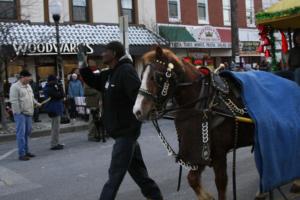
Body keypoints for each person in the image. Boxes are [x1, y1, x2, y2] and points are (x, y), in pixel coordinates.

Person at [79, 41, 163, 200]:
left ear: (114, 54)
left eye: (105, 51)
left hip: (126, 133)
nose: (102, 54)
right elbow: (91, 79)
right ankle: (155, 196)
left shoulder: (126, 71)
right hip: (122, 134)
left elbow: (138, 99)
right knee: (140, 175)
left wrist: (141, 116)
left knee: (114, 177)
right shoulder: (109, 73)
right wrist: (81, 61)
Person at [9, 70, 41, 161]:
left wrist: (36, 103)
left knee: (27, 132)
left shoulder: (28, 86)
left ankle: (26, 151)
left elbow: (31, 97)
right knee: (21, 134)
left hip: (29, 113)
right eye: (28, 77)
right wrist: (19, 112)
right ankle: (22, 154)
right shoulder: (15, 87)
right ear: (22, 77)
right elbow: (14, 101)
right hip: (20, 114)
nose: (30, 79)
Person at [43, 75, 65, 150]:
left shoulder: (51, 87)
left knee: (56, 128)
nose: (56, 82)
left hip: (55, 108)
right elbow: (60, 95)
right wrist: (60, 87)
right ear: (51, 81)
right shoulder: (49, 88)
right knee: (55, 128)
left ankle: (56, 142)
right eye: (55, 80)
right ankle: (54, 144)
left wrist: (58, 87)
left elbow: (61, 95)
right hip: (53, 109)